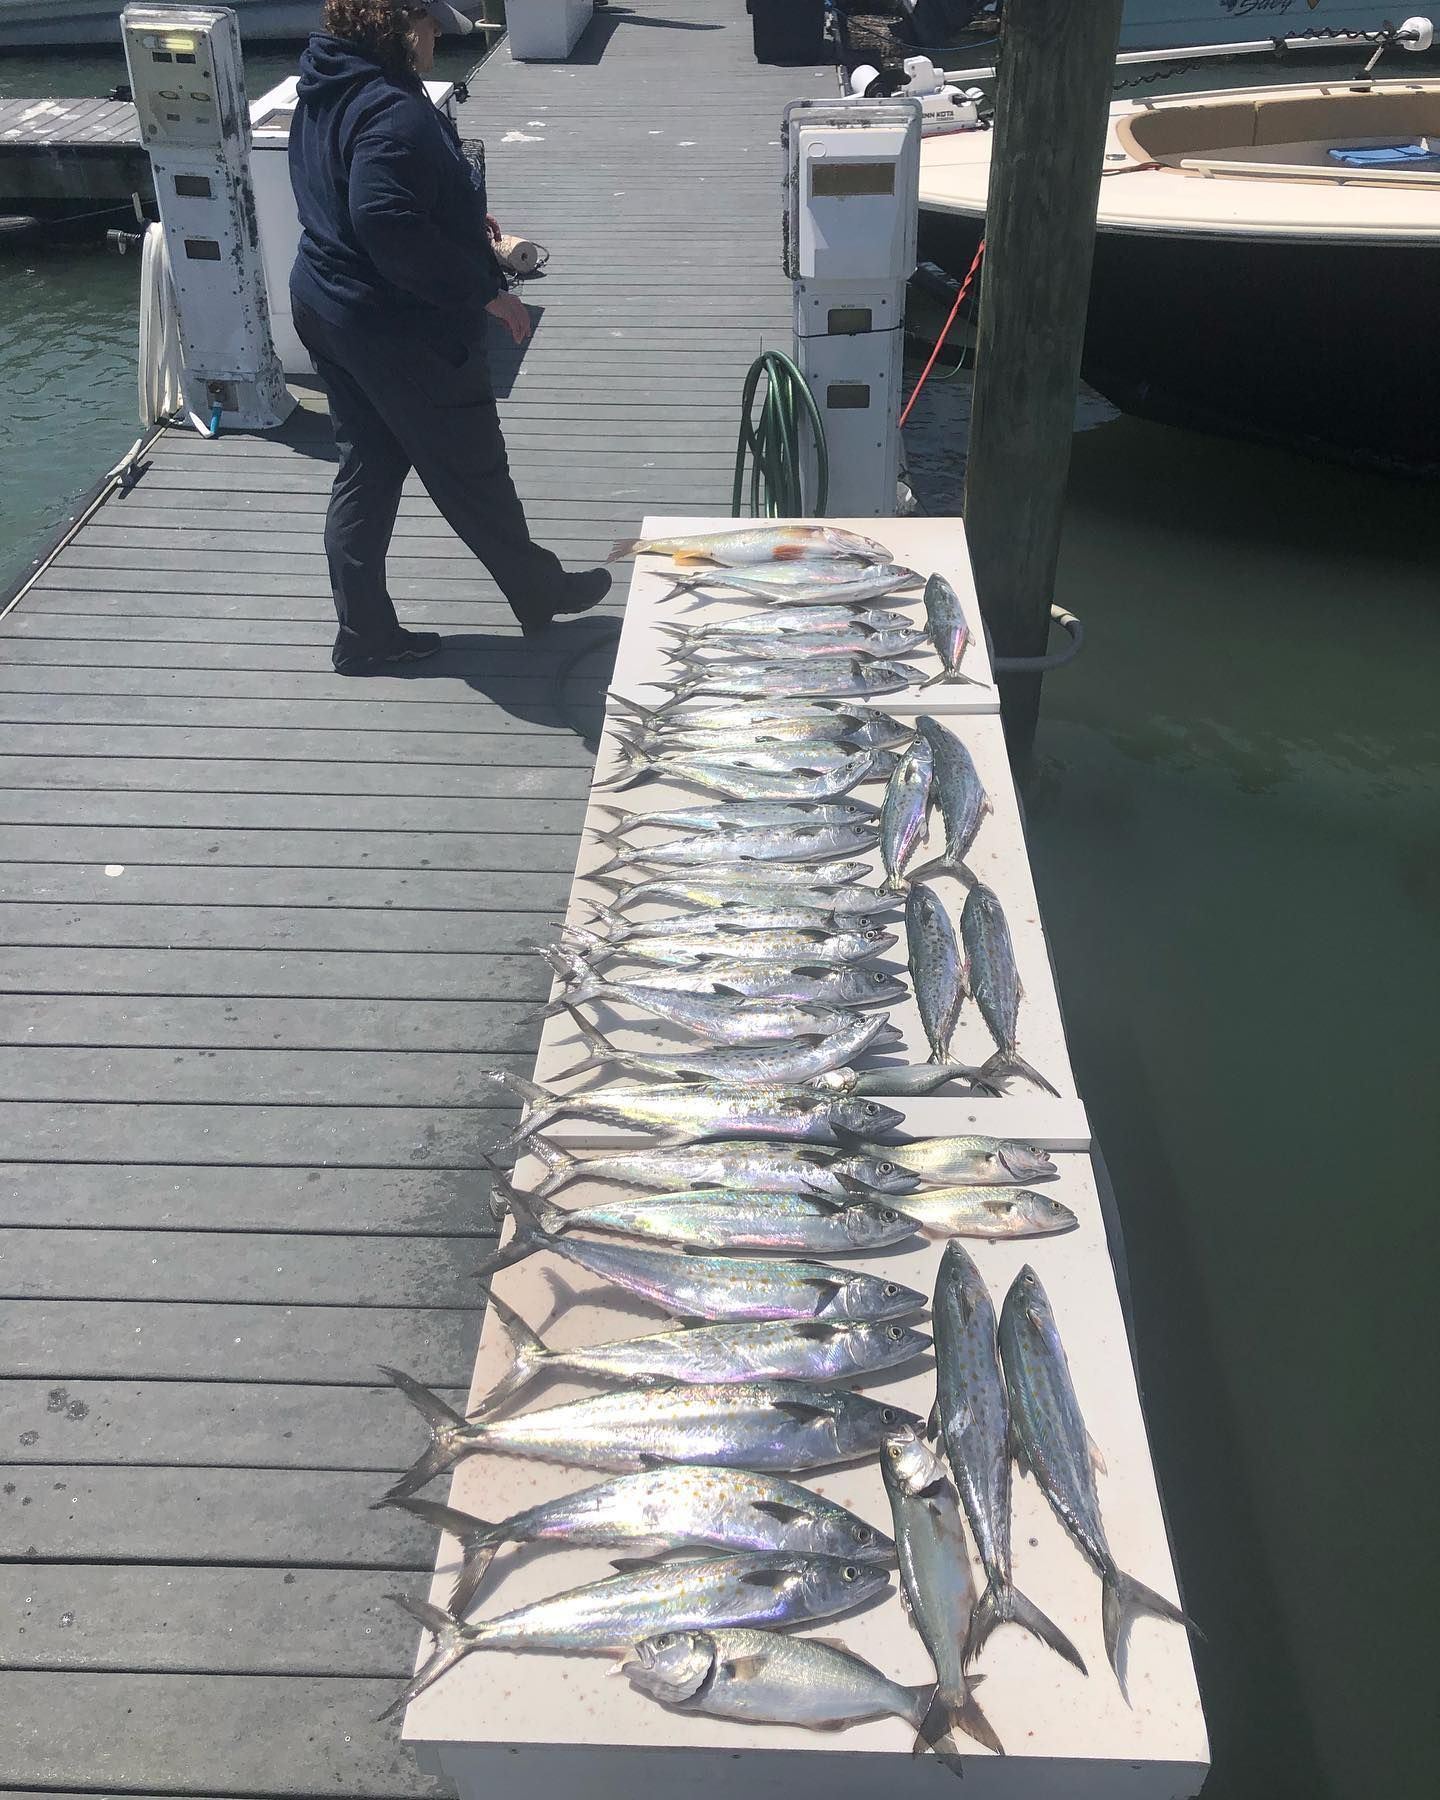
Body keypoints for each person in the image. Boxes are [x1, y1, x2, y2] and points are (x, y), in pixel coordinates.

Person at [288, 0, 610, 673]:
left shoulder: (325, 83)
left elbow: (364, 192)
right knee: (472, 468)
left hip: (325, 304)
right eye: (432, 22)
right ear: (402, 26)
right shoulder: (391, 111)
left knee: (370, 465)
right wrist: (482, 292)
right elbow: (383, 221)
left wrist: (458, 213)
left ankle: (366, 633)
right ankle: (540, 592)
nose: (437, 35)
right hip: (397, 328)